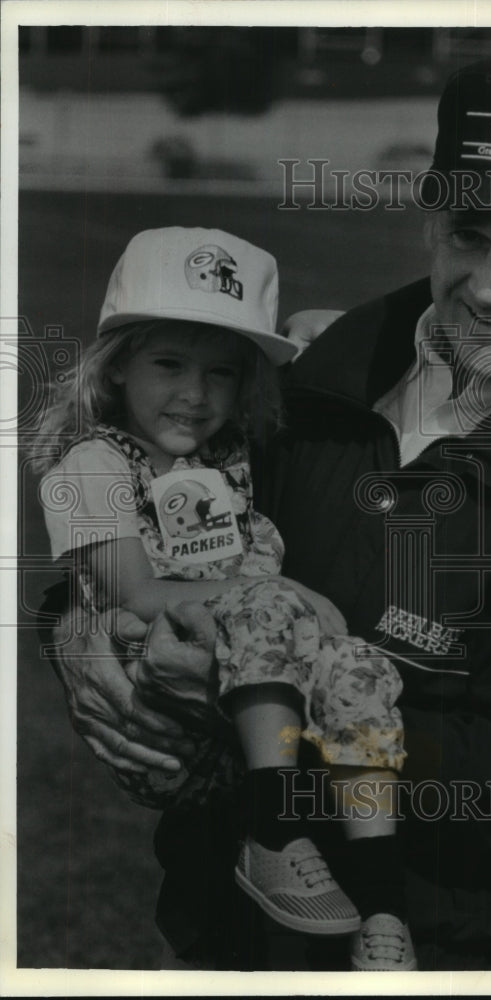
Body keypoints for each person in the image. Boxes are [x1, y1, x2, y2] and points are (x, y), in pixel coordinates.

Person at [45, 56, 491, 971]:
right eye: (468, 234)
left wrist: (256, 709)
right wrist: (72, 633)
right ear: (429, 217)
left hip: (423, 941)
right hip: (217, 911)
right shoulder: (320, 370)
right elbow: (153, 529)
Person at [34, 226, 416, 970]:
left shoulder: (224, 453)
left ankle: (382, 903)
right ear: (116, 370)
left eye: (222, 373)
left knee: (357, 669)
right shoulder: (91, 465)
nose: (194, 395)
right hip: (158, 686)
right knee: (271, 609)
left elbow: (317, 342)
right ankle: (272, 835)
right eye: (168, 364)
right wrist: (277, 589)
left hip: (248, 662)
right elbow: (135, 591)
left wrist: (310, 326)